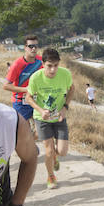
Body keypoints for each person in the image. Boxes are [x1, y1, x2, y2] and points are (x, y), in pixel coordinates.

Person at [26, 48, 74, 189]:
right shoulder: (36, 77)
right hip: (42, 118)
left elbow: (72, 89)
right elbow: (28, 97)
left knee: (63, 151)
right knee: (48, 150)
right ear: (43, 64)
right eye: (49, 66)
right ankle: (51, 176)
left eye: (56, 65)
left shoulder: (65, 74)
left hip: (59, 117)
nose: (53, 70)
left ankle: (55, 156)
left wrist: (65, 107)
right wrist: (41, 110)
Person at [3, 35, 43, 131]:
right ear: (25, 47)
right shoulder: (17, 64)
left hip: (37, 100)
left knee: (41, 131)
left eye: (36, 46)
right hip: (21, 102)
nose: (33, 49)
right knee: (22, 132)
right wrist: (26, 89)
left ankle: (31, 144)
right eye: (30, 46)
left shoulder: (41, 61)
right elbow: (6, 85)